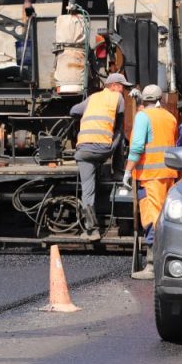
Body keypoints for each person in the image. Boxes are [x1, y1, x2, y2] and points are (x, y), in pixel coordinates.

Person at [69, 72, 132, 240]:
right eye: (122, 87)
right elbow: (119, 123)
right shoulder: (118, 99)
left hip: (83, 151)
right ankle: (118, 170)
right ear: (114, 86)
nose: (123, 90)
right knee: (119, 131)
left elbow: (73, 111)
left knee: (87, 192)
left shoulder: (92, 98)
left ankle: (92, 230)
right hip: (104, 149)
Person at [124, 85, 177, 279]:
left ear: (144, 100)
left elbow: (137, 145)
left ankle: (152, 264)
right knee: (165, 217)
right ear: (160, 98)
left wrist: (128, 170)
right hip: (169, 174)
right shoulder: (170, 117)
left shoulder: (143, 117)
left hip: (150, 176)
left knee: (151, 217)